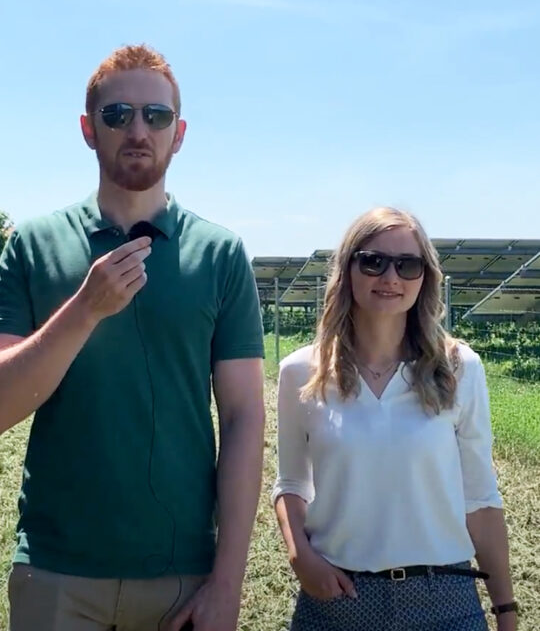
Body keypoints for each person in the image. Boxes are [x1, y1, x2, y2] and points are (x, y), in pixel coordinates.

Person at [0, 44, 265, 631]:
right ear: (88, 130)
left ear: (180, 132)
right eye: (117, 115)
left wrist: (227, 583)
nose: (138, 129)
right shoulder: (33, 247)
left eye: (157, 116)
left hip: (182, 578)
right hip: (56, 572)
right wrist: (84, 311)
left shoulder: (219, 255)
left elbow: (245, 416)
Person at [273, 207, 517, 631]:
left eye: (408, 265)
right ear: (347, 268)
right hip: (336, 598)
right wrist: (301, 556)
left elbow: (480, 500)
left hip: (445, 599)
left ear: (425, 277)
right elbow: (292, 484)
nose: (391, 278)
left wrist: (506, 611)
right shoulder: (301, 372)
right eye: (373, 261)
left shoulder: (459, 368)